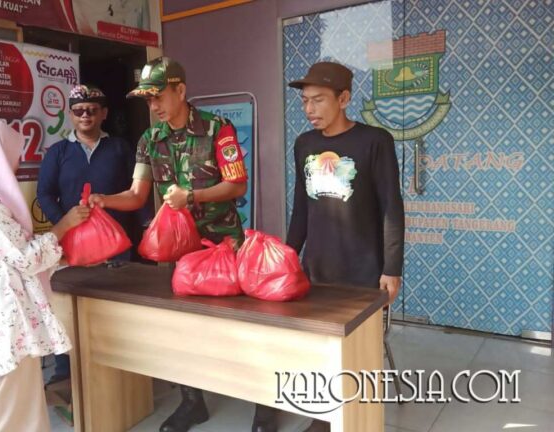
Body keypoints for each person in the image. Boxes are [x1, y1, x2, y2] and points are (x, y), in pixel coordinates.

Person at [89, 57, 275, 432]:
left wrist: (192, 196)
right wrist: (103, 200)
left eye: (158, 96)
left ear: (181, 91)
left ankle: (264, 405)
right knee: (185, 328)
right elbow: (137, 195)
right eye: (147, 100)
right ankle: (193, 403)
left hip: (224, 244)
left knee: (244, 325)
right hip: (183, 251)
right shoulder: (150, 140)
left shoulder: (217, 129)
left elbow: (237, 184)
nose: (153, 105)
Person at [0, 119, 90, 432]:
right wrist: (64, 226)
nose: (16, 163)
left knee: (22, 406)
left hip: (9, 320)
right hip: (3, 322)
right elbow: (25, 257)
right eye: (11, 155)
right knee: (7, 411)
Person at [285, 61, 405, 431]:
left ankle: (358, 420)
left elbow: (391, 206)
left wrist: (392, 269)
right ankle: (323, 417)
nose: (309, 109)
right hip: (318, 267)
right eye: (305, 101)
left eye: (318, 100)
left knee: (358, 353)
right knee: (318, 349)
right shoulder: (304, 144)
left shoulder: (375, 141)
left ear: (344, 98)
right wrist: (288, 256)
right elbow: (301, 207)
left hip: (363, 270)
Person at [36, 84, 135, 385]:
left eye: (92, 110)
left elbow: (136, 191)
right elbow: (44, 194)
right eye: (78, 111)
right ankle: (66, 372)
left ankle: (119, 370)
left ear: (104, 113)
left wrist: (145, 225)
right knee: (69, 304)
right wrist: (64, 221)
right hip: (72, 243)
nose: (85, 115)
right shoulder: (58, 152)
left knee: (117, 305)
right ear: (70, 115)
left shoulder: (120, 148)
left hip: (114, 242)